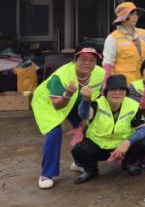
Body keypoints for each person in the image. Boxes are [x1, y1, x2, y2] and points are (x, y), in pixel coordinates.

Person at [32, 43, 106, 189]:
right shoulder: (61, 76)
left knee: (85, 129)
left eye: (92, 60)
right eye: (83, 59)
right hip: (49, 103)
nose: (87, 63)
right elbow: (57, 105)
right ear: (75, 59)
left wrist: (85, 118)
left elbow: (96, 98)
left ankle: (79, 163)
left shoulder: (100, 73)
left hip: (76, 101)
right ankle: (47, 174)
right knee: (54, 133)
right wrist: (68, 94)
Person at [70, 74, 145, 184]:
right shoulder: (97, 104)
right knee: (79, 150)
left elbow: (143, 129)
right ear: (106, 92)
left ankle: (128, 163)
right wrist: (85, 100)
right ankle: (91, 170)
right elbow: (83, 114)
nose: (117, 92)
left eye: (121, 89)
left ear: (126, 92)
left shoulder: (133, 105)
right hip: (99, 146)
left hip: (122, 148)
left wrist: (127, 142)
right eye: (113, 89)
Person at [102, 1, 145, 84]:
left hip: (144, 83)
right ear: (124, 17)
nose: (135, 17)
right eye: (132, 14)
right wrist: (106, 84)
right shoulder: (112, 38)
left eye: (136, 14)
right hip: (125, 84)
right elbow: (108, 63)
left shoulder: (143, 32)